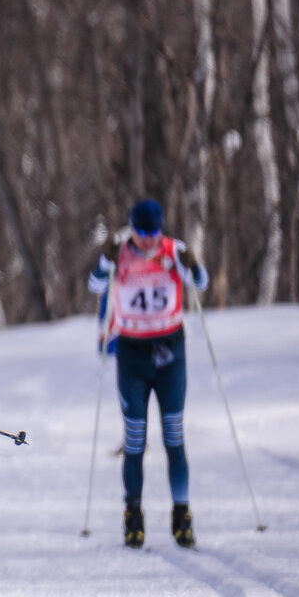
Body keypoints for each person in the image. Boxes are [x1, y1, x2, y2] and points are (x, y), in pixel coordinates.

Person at [88, 199, 209, 549]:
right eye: (141, 233)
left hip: (170, 350)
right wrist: (103, 261)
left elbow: (200, 284)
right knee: (135, 436)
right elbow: (95, 286)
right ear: (132, 228)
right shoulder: (120, 253)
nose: (147, 240)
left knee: (173, 433)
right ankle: (133, 514)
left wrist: (193, 265)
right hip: (132, 351)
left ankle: (182, 514)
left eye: (153, 232)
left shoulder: (173, 250)